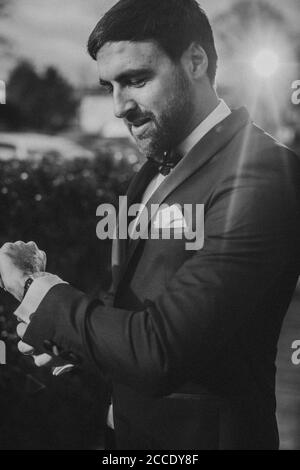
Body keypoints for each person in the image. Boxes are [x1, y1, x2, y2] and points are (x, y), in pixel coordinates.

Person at [0, 0, 300, 450]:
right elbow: (127, 305)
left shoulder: (267, 174)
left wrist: (36, 288)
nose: (120, 107)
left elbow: (160, 349)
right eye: (109, 87)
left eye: (137, 80)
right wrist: (68, 340)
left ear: (196, 61)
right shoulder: (146, 171)